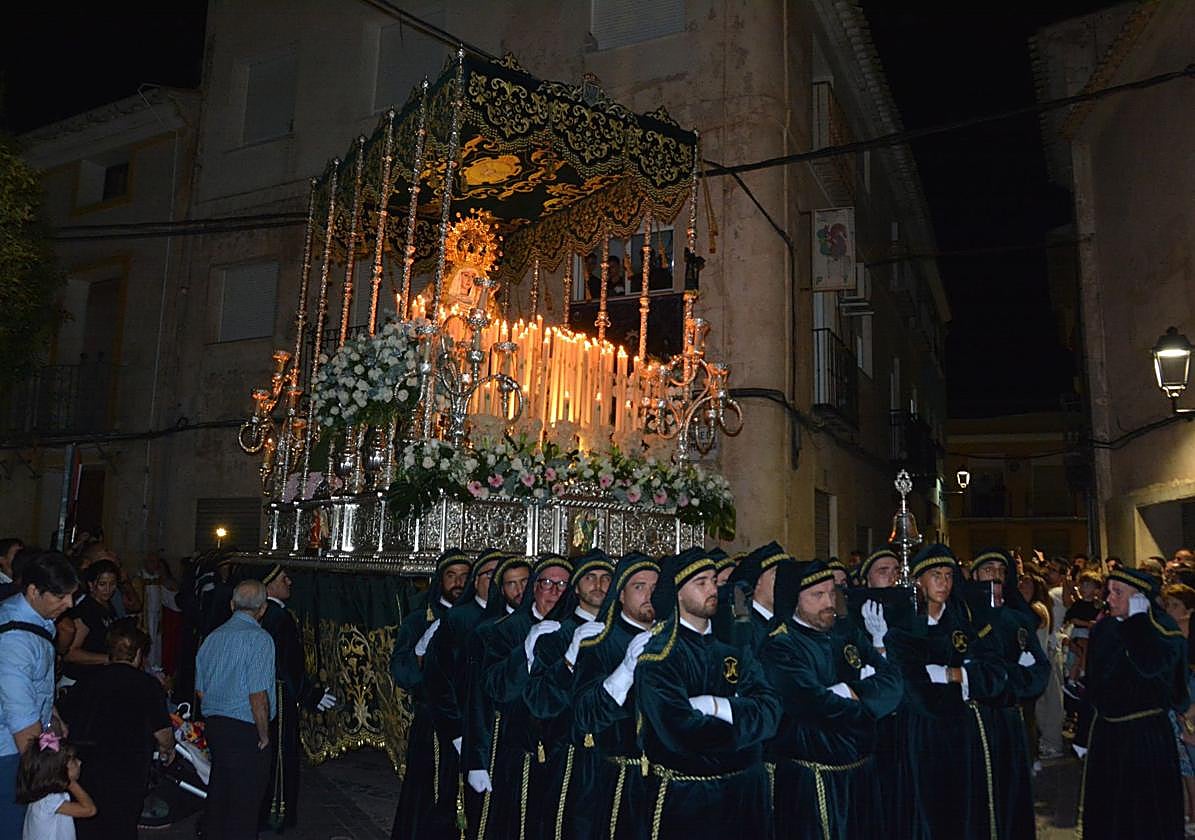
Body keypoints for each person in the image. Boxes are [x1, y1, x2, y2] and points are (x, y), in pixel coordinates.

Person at [635, 547, 782, 840]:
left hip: (744, 796)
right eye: (700, 583)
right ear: (678, 593)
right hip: (689, 800)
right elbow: (681, 733)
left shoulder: (734, 647)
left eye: (714, 580)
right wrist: (746, 730)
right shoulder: (659, 656)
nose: (712, 589)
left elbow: (771, 711)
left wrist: (717, 707)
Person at [759, 559, 902, 839]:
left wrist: (849, 691)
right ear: (794, 601)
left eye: (831, 593)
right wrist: (867, 699)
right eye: (817, 595)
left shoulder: (847, 634)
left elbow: (895, 684)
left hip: (862, 773)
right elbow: (817, 706)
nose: (829, 602)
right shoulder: (780, 646)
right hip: (815, 780)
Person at [883, 544, 1006, 839]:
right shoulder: (902, 630)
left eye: (949, 576)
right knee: (925, 810)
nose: (944, 583)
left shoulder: (962, 624)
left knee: (961, 809)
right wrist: (964, 683)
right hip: (920, 734)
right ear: (918, 582)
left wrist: (952, 674)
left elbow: (994, 675)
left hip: (961, 733)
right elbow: (916, 690)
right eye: (936, 575)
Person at [1073, 566, 1189, 839]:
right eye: (1108, 591)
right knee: (1110, 812)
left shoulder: (1164, 630)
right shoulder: (1104, 629)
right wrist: (1083, 733)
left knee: (1144, 812)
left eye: (1118, 593)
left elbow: (1151, 666)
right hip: (1107, 736)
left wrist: (1138, 623)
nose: (1109, 598)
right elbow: (1095, 683)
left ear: (1139, 598)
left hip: (1145, 737)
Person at [558, 552, 658, 839]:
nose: (649, 595)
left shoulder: (672, 641)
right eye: (639, 587)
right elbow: (584, 715)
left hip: (664, 782)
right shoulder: (599, 641)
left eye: (655, 588)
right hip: (614, 781)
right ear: (621, 595)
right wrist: (625, 671)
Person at [469, 553, 567, 839]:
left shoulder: (576, 629)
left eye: (563, 585)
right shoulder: (501, 631)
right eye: (547, 582)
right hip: (513, 748)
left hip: (562, 752)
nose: (554, 591)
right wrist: (525, 651)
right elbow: (487, 693)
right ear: (534, 587)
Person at [521, 550, 616, 839]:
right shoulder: (556, 633)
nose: (598, 585)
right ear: (576, 587)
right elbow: (540, 700)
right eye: (590, 578)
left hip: (613, 755)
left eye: (605, 579)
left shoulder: (620, 632)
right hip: (567, 754)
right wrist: (571, 657)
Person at [57, 622, 173, 840]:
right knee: (121, 825)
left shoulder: (87, 680)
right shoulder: (146, 685)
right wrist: (168, 749)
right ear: (138, 654)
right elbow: (163, 733)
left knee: (88, 825)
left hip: (87, 765)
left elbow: (65, 718)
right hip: (127, 769)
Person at [389, 548, 473, 840]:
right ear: (440, 580)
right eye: (452, 576)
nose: (458, 583)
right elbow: (402, 672)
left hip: (469, 720)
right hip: (432, 725)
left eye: (464, 576)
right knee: (430, 797)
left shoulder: (476, 617)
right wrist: (420, 651)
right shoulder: (418, 620)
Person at [422, 549, 505, 837]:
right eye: (489, 575)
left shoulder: (508, 618)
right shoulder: (458, 618)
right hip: (458, 730)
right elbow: (438, 680)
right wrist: (457, 732)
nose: (496, 581)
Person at [968, 550, 1050, 839]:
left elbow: (1040, 670)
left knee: (1012, 790)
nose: (996, 575)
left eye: (1001, 571)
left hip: (1011, 717)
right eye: (988, 569)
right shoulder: (965, 616)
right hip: (976, 721)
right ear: (975, 575)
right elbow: (976, 669)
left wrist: (1009, 680)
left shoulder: (1018, 619)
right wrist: (1007, 675)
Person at [0, 550, 78, 836]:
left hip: (27, 742)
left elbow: (35, 685)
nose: (69, 604)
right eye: (60, 597)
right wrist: (48, 772)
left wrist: (53, 716)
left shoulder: (32, 619)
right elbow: (20, 718)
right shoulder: (14, 641)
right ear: (34, 591)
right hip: (10, 754)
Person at [254, 565, 336, 832]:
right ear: (268, 586)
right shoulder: (278, 617)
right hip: (279, 694)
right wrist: (308, 693)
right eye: (282, 578)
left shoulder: (269, 615)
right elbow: (285, 665)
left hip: (270, 690)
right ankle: (276, 813)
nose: (289, 582)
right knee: (281, 754)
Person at [195, 579, 276, 840]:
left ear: (231, 605)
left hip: (216, 725)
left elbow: (201, 690)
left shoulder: (212, 638)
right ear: (263, 609)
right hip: (245, 728)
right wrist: (263, 735)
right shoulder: (260, 639)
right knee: (246, 803)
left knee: (220, 794)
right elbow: (258, 696)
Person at [15, 731, 95, 840]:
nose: (79, 762)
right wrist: (69, 781)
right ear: (60, 770)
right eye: (73, 760)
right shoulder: (49, 802)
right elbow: (89, 810)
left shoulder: (41, 796)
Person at [714, 541, 792, 652]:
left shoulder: (788, 621)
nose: (784, 583)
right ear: (758, 580)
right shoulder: (741, 626)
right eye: (777, 576)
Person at [1161, 583, 1195, 830]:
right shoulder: (1169, 633)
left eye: (1175, 605)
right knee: (1181, 760)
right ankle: (1184, 809)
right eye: (1167, 604)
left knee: (1192, 761)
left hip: (1190, 697)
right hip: (1176, 697)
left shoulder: (1189, 633)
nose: (1169, 609)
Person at [62, 560, 120, 682]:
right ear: (91, 584)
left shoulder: (108, 606)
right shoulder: (86, 610)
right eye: (102, 584)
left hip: (98, 676)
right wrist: (109, 658)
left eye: (112, 584)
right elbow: (70, 653)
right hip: (79, 679)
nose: (108, 589)